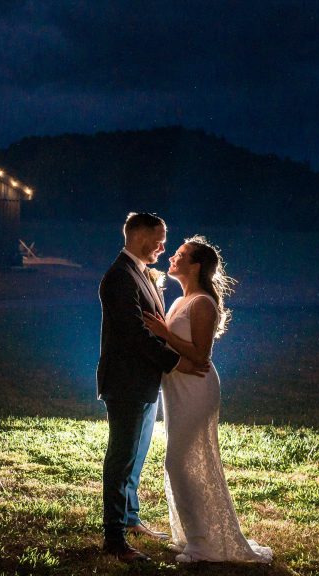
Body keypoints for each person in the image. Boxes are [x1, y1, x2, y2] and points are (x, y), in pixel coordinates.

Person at [143, 236, 273, 564]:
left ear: (196, 266)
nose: (172, 257)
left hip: (196, 388)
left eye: (181, 255)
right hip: (177, 388)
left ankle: (202, 544)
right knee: (181, 463)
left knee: (179, 462)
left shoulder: (202, 303)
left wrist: (165, 334)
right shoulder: (180, 301)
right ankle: (191, 535)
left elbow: (201, 355)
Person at [97, 212, 206, 563]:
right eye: (158, 239)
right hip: (126, 383)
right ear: (139, 235)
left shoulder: (140, 273)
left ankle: (130, 519)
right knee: (121, 456)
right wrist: (177, 363)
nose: (163, 246)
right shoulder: (119, 277)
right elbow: (134, 334)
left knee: (136, 456)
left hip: (144, 383)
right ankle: (114, 538)